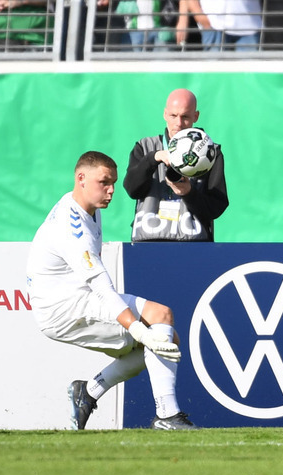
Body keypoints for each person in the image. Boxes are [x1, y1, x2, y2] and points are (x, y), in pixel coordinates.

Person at [27, 151, 195, 431]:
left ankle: (89, 391)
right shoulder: (72, 228)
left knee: (167, 338)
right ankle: (167, 415)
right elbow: (101, 286)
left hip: (75, 298)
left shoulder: (86, 207)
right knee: (159, 320)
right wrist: (137, 328)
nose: (112, 190)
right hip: (65, 310)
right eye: (104, 182)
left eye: (114, 182)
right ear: (80, 178)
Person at [123, 89, 228, 242]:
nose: (178, 123)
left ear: (196, 116)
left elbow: (216, 207)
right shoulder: (145, 146)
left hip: (194, 245)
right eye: (173, 116)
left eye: (185, 117)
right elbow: (132, 189)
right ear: (165, 114)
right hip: (148, 243)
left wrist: (189, 193)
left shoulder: (210, 152)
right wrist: (153, 158)